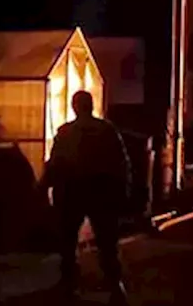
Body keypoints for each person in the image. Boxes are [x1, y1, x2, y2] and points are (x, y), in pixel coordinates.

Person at [40, 90, 131, 304]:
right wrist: (123, 191)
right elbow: (121, 162)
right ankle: (115, 286)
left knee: (68, 240)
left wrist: (43, 187)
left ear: (75, 107)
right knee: (107, 242)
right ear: (91, 105)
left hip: (72, 190)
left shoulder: (66, 132)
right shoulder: (107, 130)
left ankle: (69, 285)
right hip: (102, 190)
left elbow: (55, 163)